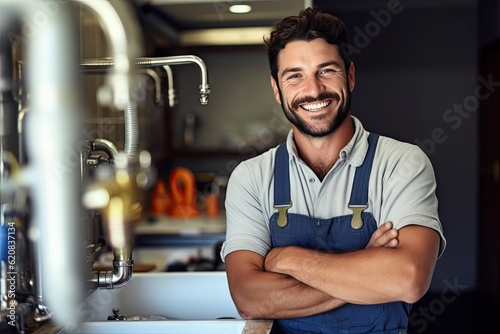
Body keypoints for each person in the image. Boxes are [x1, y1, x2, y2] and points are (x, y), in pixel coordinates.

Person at [220, 7, 446, 334]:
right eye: (294, 75)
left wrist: (288, 260)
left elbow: (408, 279)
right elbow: (248, 298)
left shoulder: (402, 163)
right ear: (276, 88)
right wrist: (366, 267)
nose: (313, 90)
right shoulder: (251, 177)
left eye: (326, 70)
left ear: (350, 76)